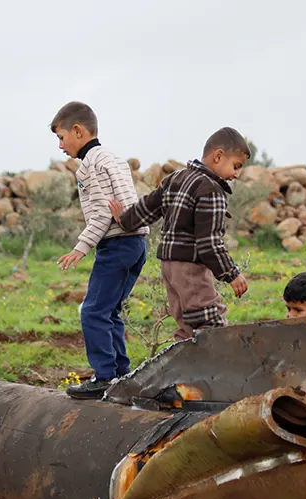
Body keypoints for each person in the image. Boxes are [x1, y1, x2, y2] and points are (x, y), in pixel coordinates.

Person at [110, 127, 251, 341]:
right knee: (210, 323)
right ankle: (220, 371)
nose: (236, 174)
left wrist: (125, 219)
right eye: (236, 166)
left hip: (169, 267)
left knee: (187, 326)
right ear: (218, 156)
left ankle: (186, 372)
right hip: (190, 268)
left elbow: (148, 207)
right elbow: (209, 243)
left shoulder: (175, 178)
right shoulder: (211, 190)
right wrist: (231, 274)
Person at [49, 102, 148, 399]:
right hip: (136, 243)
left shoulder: (89, 164)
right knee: (109, 311)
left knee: (92, 311)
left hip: (116, 244)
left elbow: (104, 214)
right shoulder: (114, 159)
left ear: (78, 131)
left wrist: (80, 247)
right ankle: (121, 374)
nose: (60, 145)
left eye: (61, 137)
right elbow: (124, 206)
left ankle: (104, 377)